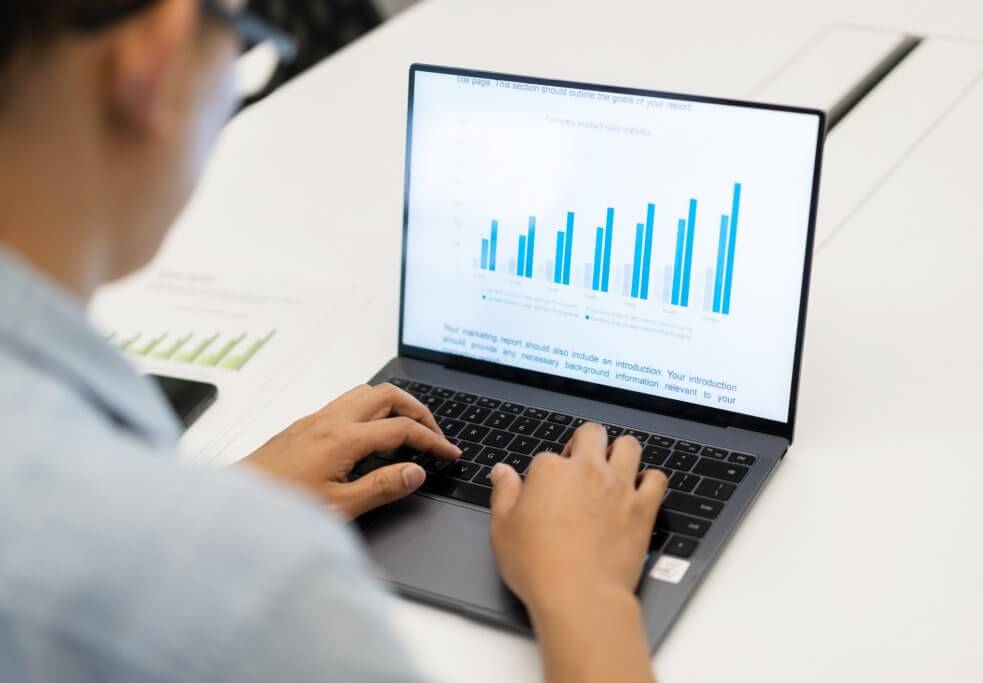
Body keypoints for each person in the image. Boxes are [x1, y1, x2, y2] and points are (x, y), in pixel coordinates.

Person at [0, 2, 669, 682]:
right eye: (245, 35)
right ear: (154, 53)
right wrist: (589, 597)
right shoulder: (261, 600)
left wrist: (235, 496)